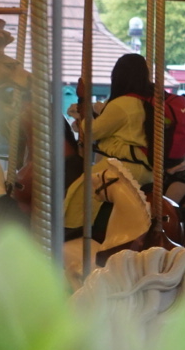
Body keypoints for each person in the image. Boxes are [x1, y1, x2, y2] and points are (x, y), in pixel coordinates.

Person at [63, 54, 154, 232]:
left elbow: (91, 132)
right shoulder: (143, 103)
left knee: (78, 190)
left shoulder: (122, 104)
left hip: (123, 166)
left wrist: (83, 101)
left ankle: (73, 230)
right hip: (144, 168)